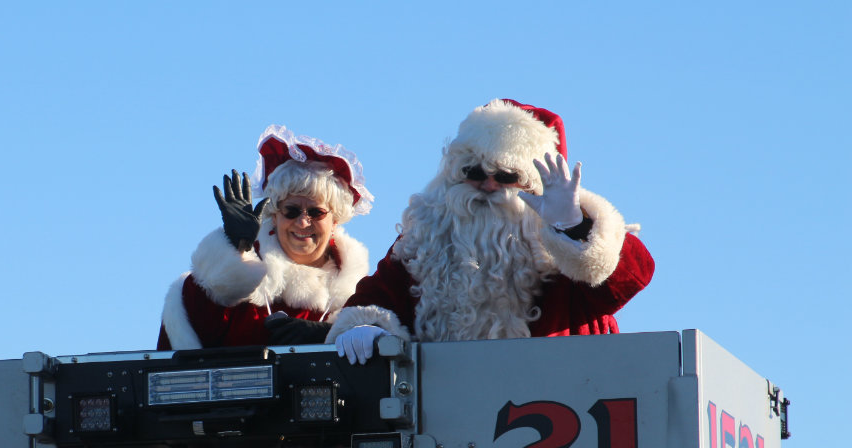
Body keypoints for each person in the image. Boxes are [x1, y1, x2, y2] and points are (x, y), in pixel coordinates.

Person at [330, 98, 654, 363]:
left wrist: (573, 225)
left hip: (566, 413)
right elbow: (377, 298)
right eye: (474, 171)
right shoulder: (427, 236)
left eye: (506, 176)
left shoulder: (559, 239)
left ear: (535, 185)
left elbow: (630, 278)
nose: (488, 185)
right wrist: (366, 325)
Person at [158, 125, 373, 350]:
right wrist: (233, 250)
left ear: (335, 221)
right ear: (274, 215)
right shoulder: (244, 289)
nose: (302, 222)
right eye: (291, 211)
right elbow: (196, 318)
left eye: (316, 212)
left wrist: (331, 335)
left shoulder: (360, 297)